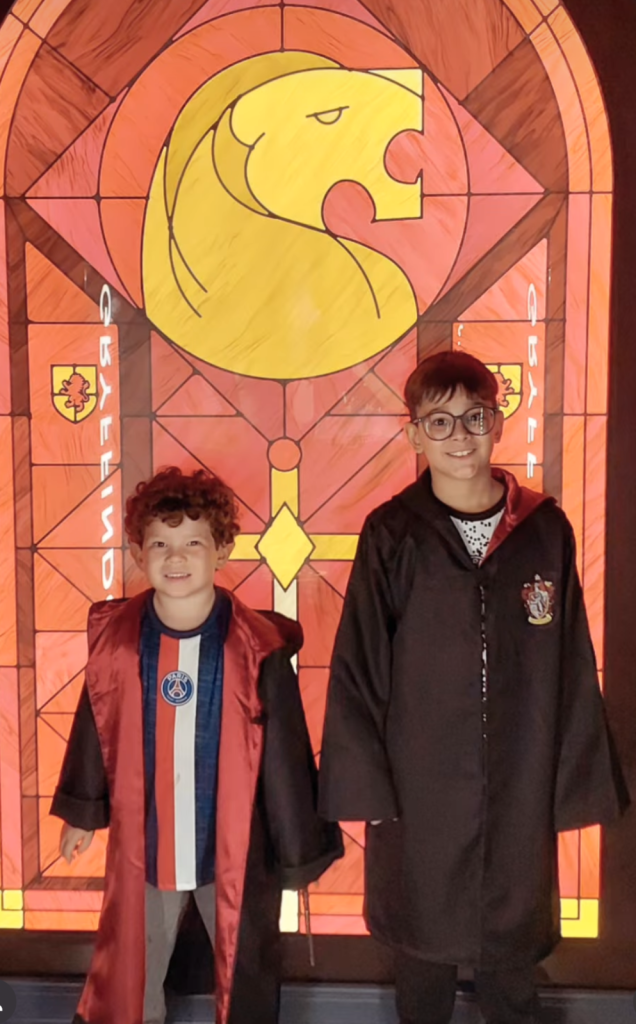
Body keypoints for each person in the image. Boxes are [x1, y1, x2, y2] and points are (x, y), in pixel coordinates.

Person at [318, 351, 627, 1024]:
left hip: (520, 772)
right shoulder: (394, 533)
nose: (459, 436)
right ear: (414, 434)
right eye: (440, 421)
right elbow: (359, 664)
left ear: (498, 422)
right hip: (418, 780)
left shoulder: (542, 529)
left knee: (512, 954)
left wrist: (571, 780)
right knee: (421, 949)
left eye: (475, 417)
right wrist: (367, 787)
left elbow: (572, 661)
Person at [51, 466, 342, 1024]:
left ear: (222, 551)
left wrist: (297, 848)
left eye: (193, 543)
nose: (176, 557)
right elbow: (96, 723)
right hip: (148, 841)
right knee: (136, 964)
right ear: (138, 553)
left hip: (230, 843)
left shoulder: (255, 648)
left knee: (245, 962)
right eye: (161, 544)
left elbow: (284, 752)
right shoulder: (121, 643)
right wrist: (82, 812)